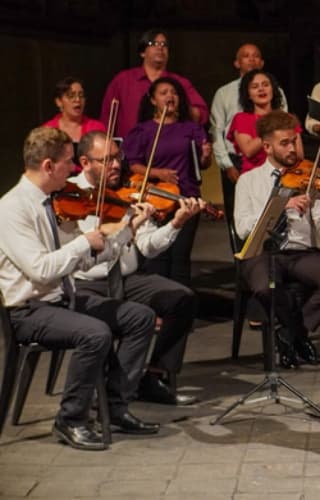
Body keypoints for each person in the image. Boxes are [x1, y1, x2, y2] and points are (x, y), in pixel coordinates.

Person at [0, 127, 159, 450]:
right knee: (95, 333)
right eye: (68, 163)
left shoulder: (56, 202)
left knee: (139, 316)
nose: (74, 171)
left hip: (63, 299)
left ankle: (113, 406)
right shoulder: (12, 209)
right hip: (28, 310)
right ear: (48, 166)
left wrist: (125, 232)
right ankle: (70, 419)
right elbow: (41, 270)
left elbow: (82, 262)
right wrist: (83, 244)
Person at [70, 131, 204, 406]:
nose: (117, 165)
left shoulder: (128, 193)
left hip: (128, 278)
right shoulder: (71, 195)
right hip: (88, 283)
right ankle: (115, 392)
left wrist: (175, 224)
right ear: (85, 162)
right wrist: (122, 229)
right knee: (134, 317)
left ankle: (153, 376)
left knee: (182, 298)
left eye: (117, 158)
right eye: (106, 160)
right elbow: (85, 256)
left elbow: (146, 247)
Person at [234, 110, 320, 368]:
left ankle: (290, 334)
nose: (292, 148)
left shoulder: (311, 178)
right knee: (263, 288)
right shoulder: (247, 181)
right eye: (284, 143)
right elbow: (243, 228)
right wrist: (281, 206)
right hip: (262, 252)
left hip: (302, 253)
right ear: (267, 147)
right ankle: (297, 334)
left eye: (294, 141)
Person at [123, 77, 212, 286]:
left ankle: (181, 306)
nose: (170, 96)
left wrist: (206, 157)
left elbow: (202, 165)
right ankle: (160, 305)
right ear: (153, 100)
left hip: (186, 197)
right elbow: (133, 165)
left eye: (174, 92)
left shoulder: (191, 128)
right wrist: (158, 173)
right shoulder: (143, 130)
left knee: (181, 257)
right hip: (155, 199)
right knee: (157, 257)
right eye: (163, 93)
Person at [101, 29, 208, 137]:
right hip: (129, 149)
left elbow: (202, 115)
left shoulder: (179, 82)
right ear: (142, 52)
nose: (160, 47)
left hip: (171, 148)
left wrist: (180, 105)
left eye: (164, 44)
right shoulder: (123, 80)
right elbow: (107, 118)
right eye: (153, 43)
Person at [210, 43, 288, 183]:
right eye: (246, 56)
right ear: (237, 63)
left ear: (262, 63)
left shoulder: (276, 91)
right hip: (236, 161)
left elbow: (285, 125)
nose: (252, 59)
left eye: (256, 56)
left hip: (272, 158)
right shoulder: (224, 93)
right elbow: (217, 130)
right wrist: (227, 165)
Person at [227, 69, 303, 174]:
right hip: (255, 177)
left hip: (287, 176)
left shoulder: (287, 117)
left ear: (273, 89)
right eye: (255, 87)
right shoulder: (241, 118)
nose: (261, 89)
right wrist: (274, 126)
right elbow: (248, 151)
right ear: (248, 94)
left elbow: (299, 154)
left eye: (265, 85)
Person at [41, 77, 106, 155]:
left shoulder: (96, 128)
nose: (77, 99)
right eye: (71, 95)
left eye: (81, 95)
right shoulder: (47, 130)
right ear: (58, 102)